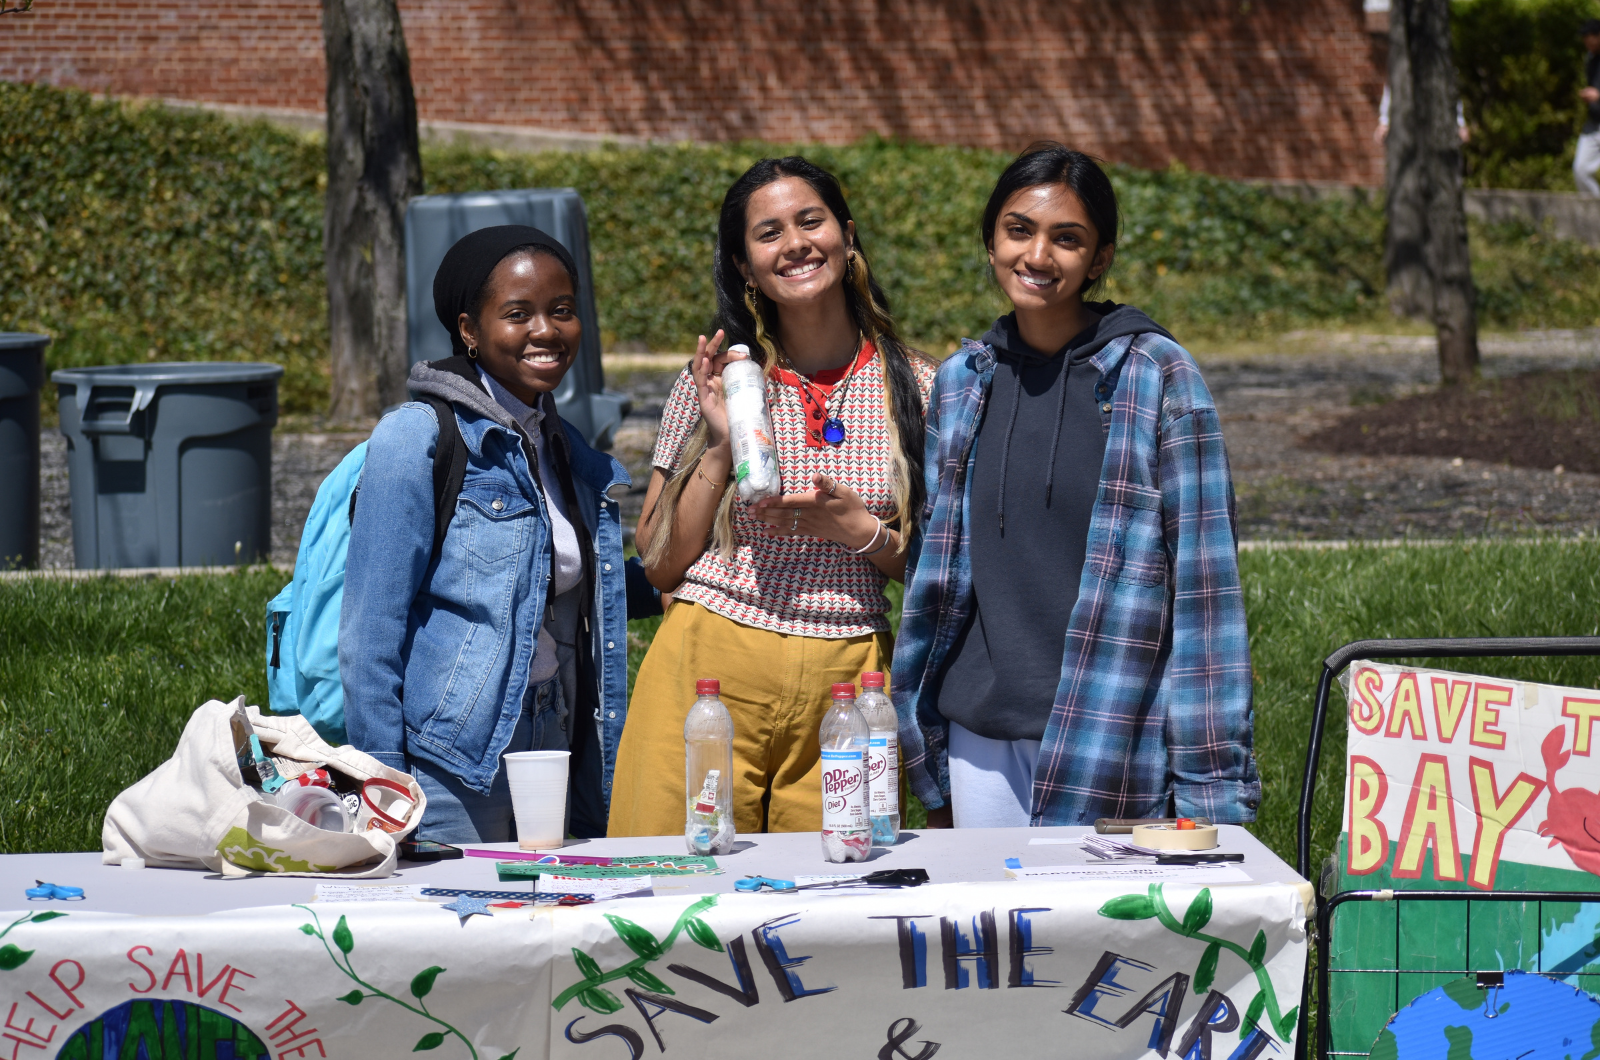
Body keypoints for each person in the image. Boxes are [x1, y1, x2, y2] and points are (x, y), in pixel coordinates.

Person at [892, 143, 1259, 829]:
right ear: (992, 240)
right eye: (1018, 230)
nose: (1038, 256)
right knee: (998, 937)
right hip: (982, 740)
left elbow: (1208, 596)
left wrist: (1213, 791)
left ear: (1100, 258)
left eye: (1068, 239)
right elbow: (935, 575)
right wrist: (922, 741)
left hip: (1111, 738)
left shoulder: (1157, 376)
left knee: (1108, 939)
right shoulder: (962, 383)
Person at [608, 156, 936, 838]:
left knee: (833, 900)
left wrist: (861, 531)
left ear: (847, 239)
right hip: (706, 670)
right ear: (745, 266)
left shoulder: (923, 389)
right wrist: (725, 447)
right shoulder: (718, 382)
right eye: (769, 233)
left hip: (847, 684)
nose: (795, 243)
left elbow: (941, 573)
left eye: (810, 221)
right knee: (671, 891)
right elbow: (661, 564)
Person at [340, 225, 631, 843]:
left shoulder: (562, 446)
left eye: (562, 311)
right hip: (449, 762)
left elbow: (571, 588)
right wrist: (385, 790)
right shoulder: (416, 437)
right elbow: (370, 636)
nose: (546, 331)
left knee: (545, 928)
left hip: (554, 741)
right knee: (447, 932)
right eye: (518, 314)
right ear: (469, 329)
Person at [1577, 19, 1600, 197]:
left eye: (1588, 37)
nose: (1585, 41)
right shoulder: (1590, 59)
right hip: (1593, 123)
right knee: (1581, 170)